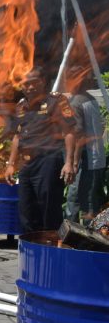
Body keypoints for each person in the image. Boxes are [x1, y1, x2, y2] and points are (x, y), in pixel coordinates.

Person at [4, 68, 76, 234]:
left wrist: (69, 163)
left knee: (48, 208)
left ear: (42, 82)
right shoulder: (21, 106)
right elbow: (17, 136)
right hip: (26, 165)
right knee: (26, 210)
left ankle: (52, 247)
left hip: (48, 161)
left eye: (33, 83)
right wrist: (10, 164)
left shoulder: (57, 101)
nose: (29, 87)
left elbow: (69, 132)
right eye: (25, 84)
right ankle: (31, 249)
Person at [66, 86, 106, 224]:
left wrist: (74, 163)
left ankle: (77, 237)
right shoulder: (91, 99)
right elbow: (102, 124)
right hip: (96, 156)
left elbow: (78, 134)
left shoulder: (76, 101)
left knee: (77, 199)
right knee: (90, 200)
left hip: (86, 158)